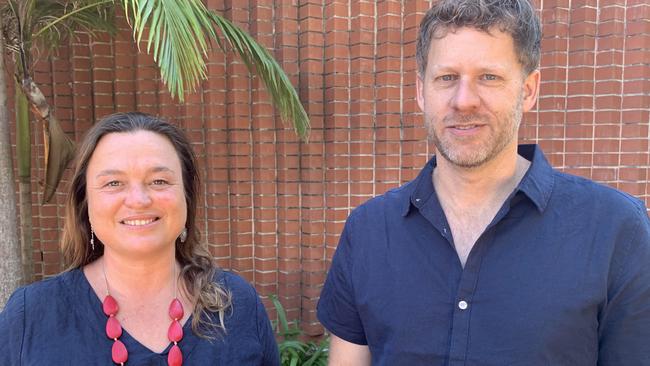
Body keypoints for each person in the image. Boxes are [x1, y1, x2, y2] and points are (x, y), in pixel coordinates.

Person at [317, 1, 650, 365]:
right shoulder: (368, 231)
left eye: (488, 77)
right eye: (446, 78)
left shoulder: (615, 229)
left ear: (528, 90)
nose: (463, 101)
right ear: (420, 91)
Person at [0, 112, 279, 365]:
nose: (138, 200)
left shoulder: (237, 304)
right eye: (113, 183)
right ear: (86, 204)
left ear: (187, 197)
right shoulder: (30, 316)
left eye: (159, 181)